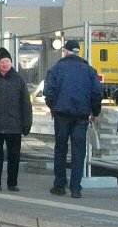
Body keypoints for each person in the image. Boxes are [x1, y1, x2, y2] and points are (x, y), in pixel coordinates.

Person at [44, 39, 103, 199]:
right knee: (79, 151)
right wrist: (95, 111)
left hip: (61, 115)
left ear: (65, 51)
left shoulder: (56, 69)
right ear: (78, 52)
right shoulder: (90, 71)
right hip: (81, 116)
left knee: (60, 149)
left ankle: (59, 185)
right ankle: (76, 188)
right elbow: (97, 94)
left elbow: (48, 92)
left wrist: (53, 107)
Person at [0, 47, 32, 192]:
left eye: (7, 61)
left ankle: (12, 183)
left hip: (14, 125)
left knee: (14, 156)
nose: (5, 64)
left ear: (11, 62)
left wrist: (27, 123)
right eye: (2, 61)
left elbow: (26, 104)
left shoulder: (19, 79)